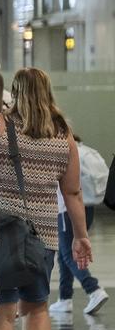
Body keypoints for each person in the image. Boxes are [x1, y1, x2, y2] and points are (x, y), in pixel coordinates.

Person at [0, 68, 95, 330]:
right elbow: (73, 193)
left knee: (3, 314)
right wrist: (80, 236)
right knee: (37, 309)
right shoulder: (63, 136)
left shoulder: (0, 129)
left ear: (14, 92)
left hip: (1, 235)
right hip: (43, 238)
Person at [50, 134, 108, 316]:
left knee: (68, 253)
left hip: (65, 210)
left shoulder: (62, 151)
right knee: (64, 252)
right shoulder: (84, 150)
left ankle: (94, 289)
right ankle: (64, 298)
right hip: (87, 207)